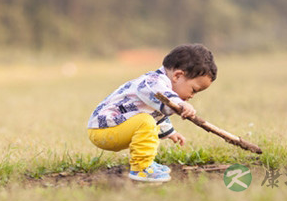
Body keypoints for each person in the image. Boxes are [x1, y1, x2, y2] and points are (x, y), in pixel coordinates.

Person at [87, 44, 217, 182]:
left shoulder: (162, 88)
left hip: (115, 129)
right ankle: (141, 168)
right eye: (194, 90)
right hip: (104, 130)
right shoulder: (151, 82)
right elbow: (162, 95)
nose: (192, 96)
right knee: (145, 121)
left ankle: (147, 162)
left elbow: (157, 113)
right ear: (178, 76)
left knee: (147, 120)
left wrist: (170, 132)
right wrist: (180, 103)